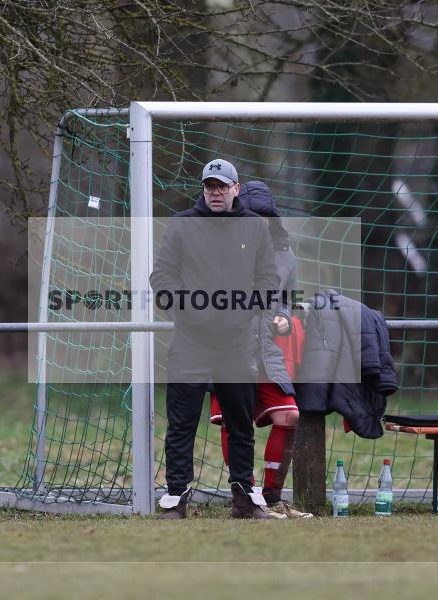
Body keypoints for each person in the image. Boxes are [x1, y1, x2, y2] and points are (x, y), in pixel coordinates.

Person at [150, 159, 279, 519]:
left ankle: (244, 499)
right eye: (210, 186)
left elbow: (268, 279)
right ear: (203, 189)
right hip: (191, 340)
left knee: (241, 424)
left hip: (237, 342)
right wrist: (191, 311)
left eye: (222, 186)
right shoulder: (181, 226)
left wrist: (241, 314)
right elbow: (161, 278)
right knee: (182, 424)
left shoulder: (255, 228)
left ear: (236, 189)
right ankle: (176, 500)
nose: (216, 192)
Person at [207, 181, 312, 519]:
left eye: (264, 217)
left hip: (267, 350)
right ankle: (247, 496)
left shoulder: (285, 254)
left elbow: (284, 300)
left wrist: (283, 316)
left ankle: (271, 495)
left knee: (289, 416)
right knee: (233, 423)